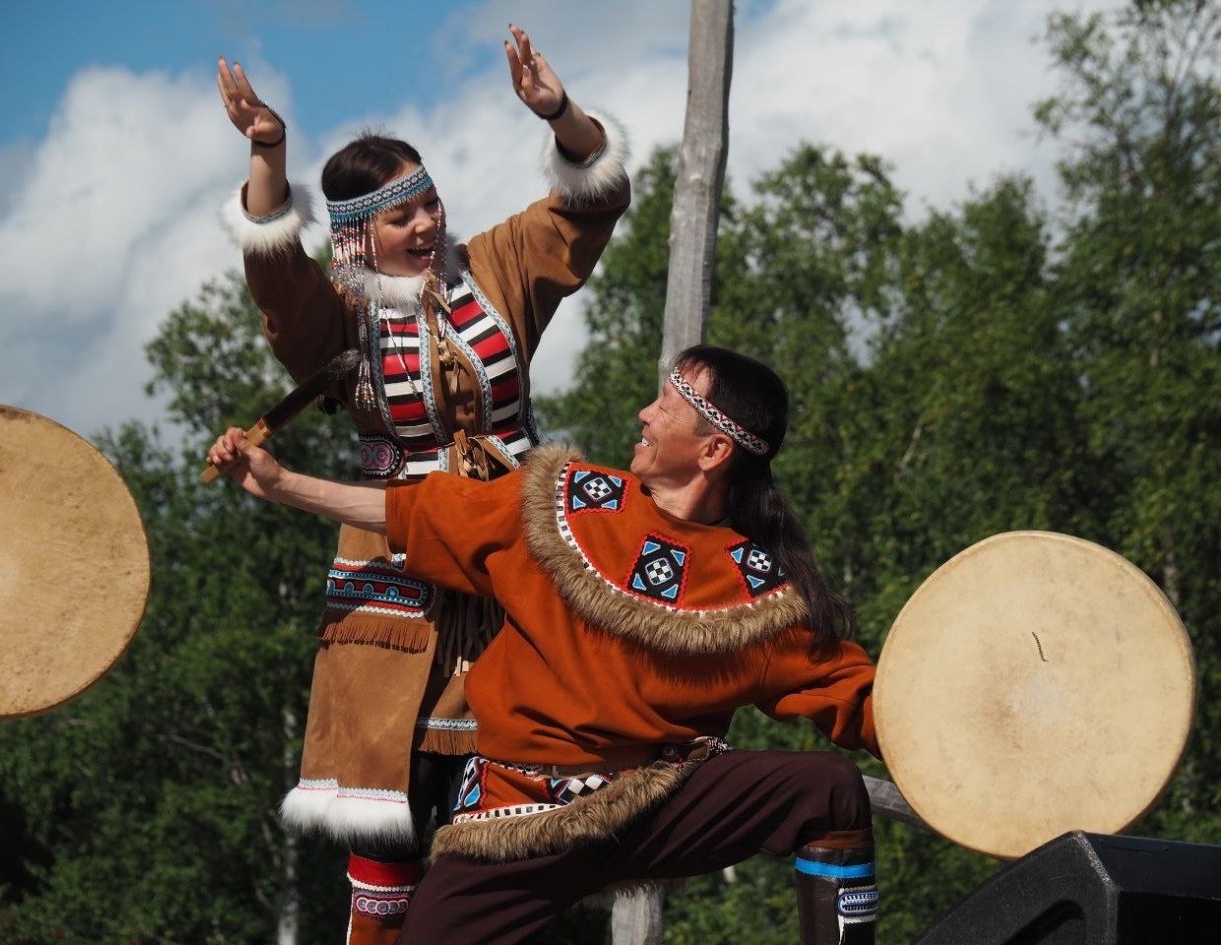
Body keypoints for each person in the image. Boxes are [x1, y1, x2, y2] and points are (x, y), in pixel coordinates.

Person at [208, 345, 880, 945]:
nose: (645, 414)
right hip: (516, 814)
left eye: (668, 407)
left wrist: (945, 750)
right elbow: (412, 513)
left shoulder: (755, 590)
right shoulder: (565, 503)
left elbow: (864, 701)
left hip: (654, 803)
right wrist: (280, 483)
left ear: (713, 451)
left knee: (829, 791)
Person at [214, 25, 630, 944]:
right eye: (404, 217)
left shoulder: (497, 268)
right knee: (389, 815)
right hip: (394, 560)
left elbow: (593, 202)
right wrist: (267, 152)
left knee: (531, 806)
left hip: (517, 551)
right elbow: (276, 278)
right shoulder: (338, 320)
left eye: (431, 202)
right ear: (359, 234)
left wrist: (559, 113)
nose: (429, 225)